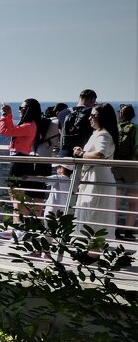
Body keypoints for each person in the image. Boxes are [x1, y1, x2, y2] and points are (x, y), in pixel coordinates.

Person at [0, 98, 47, 231]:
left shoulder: (29, 126)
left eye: (22, 108)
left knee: (16, 196)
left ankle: (18, 227)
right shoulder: (31, 125)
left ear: (29, 110)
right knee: (17, 196)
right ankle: (19, 227)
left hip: (19, 163)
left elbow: (6, 131)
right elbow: (13, 130)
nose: (20, 110)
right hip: (21, 161)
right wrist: (9, 115)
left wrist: (4, 115)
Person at [73, 103, 118, 244]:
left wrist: (82, 153)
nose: (90, 118)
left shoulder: (103, 135)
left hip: (97, 179)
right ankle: (92, 252)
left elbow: (100, 154)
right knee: (93, 214)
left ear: (102, 117)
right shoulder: (99, 133)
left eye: (94, 115)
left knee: (95, 215)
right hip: (95, 177)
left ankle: (93, 254)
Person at [113, 103, 136, 240]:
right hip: (133, 168)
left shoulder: (115, 128)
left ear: (120, 114)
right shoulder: (136, 128)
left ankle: (115, 230)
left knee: (115, 201)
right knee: (133, 202)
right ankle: (129, 232)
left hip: (116, 167)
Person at [59, 89, 97, 158]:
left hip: (64, 153)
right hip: (82, 153)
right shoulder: (93, 113)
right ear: (92, 100)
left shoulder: (62, 113)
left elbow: (61, 132)